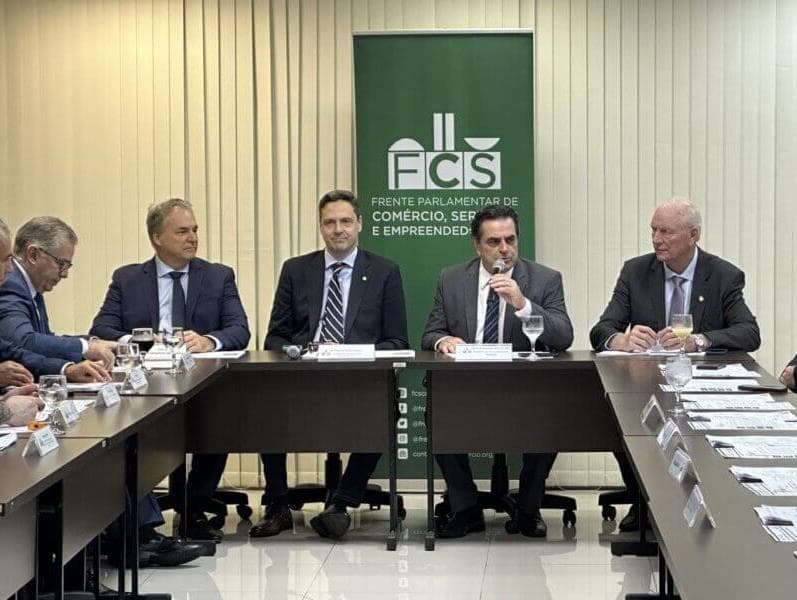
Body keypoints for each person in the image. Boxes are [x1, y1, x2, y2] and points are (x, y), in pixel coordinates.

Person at [590, 197, 761, 531]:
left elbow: (749, 333)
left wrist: (700, 340)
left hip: (704, 388)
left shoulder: (723, 275)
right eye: (653, 230)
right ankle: (642, 502)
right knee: (622, 424)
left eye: (665, 231)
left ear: (693, 235)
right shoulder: (636, 272)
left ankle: (702, 504)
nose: (656, 239)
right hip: (646, 385)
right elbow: (602, 329)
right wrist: (620, 340)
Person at [90, 198, 251, 542]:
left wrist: (208, 340)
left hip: (201, 382)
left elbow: (239, 329)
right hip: (145, 384)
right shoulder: (128, 279)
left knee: (219, 420)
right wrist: (140, 341)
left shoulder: (218, 276)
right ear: (157, 237)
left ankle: (194, 508)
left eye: (195, 230)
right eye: (182, 231)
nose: (192, 238)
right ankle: (141, 517)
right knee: (127, 431)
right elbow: (101, 328)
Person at [256, 189, 408, 540]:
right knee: (266, 406)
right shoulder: (296, 270)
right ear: (321, 227)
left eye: (345, 221)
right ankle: (278, 505)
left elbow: (397, 342)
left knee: (385, 408)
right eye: (330, 222)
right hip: (303, 377)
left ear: (359, 224)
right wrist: (307, 350)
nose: (338, 229)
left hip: (358, 381)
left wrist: (349, 351)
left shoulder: (384, 271)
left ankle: (341, 502)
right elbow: (274, 338)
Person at [421, 205, 574, 538]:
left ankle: (528, 510)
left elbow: (563, 336)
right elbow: (431, 333)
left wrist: (523, 304)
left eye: (510, 240)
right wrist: (444, 340)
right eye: (494, 242)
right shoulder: (452, 279)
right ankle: (465, 508)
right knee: (435, 410)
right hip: (467, 387)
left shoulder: (544, 279)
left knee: (549, 413)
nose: (504, 249)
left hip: (524, 389)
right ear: (477, 245)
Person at [0, 217, 114, 383]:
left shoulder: (31, 287)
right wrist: (84, 348)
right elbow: (23, 342)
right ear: (33, 255)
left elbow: (39, 339)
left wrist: (85, 347)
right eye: (61, 264)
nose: (65, 274)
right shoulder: (10, 284)